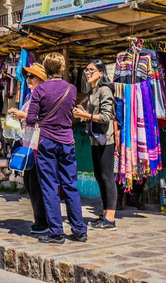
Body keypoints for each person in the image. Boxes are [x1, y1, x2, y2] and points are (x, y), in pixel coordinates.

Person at [26, 52, 87, 244]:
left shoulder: (40, 91)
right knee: (70, 186)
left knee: (50, 187)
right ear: (62, 68)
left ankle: (56, 232)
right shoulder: (71, 89)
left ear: (46, 69)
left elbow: (30, 119)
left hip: (47, 142)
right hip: (67, 141)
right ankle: (79, 230)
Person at [73, 59, 117, 230]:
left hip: (106, 138)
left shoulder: (105, 90)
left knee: (107, 177)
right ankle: (105, 213)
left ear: (101, 72)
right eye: (86, 70)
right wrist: (84, 114)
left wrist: (88, 116)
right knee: (99, 176)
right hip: (95, 137)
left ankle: (110, 218)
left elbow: (106, 117)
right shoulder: (93, 91)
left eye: (91, 70)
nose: (87, 73)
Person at [7, 62, 49, 235]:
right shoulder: (29, 97)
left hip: (38, 145)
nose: (28, 79)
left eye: (32, 76)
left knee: (36, 184)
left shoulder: (43, 97)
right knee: (29, 183)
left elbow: (42, 118)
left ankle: (43, 221)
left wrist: (22, 114)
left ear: (41, 79)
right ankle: (38, 218)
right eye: (27, 76)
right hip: (28, 144)